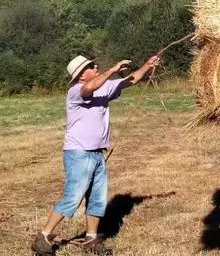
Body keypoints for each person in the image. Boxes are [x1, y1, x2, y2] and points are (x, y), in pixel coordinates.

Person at [31, 54, 161, 256]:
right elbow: (89, 88)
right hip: (79, 154)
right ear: (82, 75)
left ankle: (91, 239)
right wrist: (113, 70)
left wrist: (147, 65)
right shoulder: (76, 91)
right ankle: (43, 237)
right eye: (91, 66)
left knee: (97, 199)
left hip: (97, 154)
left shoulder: (103, 88)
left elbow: (130, 80)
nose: (96, 66)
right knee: (73, 197)